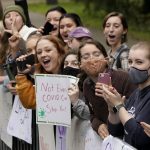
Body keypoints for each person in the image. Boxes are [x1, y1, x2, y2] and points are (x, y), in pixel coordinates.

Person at [68, 40, 136, 139]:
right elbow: (91, 115)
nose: (92, 60)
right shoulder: (87, 84)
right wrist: (98, 125)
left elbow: (136, 111)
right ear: (80, 64)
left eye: (96, 54)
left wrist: (115, 100)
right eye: (86, 57)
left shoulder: (124, 78)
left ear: (106, 59)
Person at [102, 41, 150, 149]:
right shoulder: (135, 93)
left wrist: (119, 106)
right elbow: (115, 131)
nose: (132, 67)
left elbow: (139, 138)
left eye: (139, 62)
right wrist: (112, 108)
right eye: (130, 61)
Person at [15, 35, 66, 109]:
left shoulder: (71, 72)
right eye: (39, 52)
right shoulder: (39, 75)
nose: (43, 55)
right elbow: (30, 103)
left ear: (60, 52)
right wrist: (21, 75)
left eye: (48, 50)